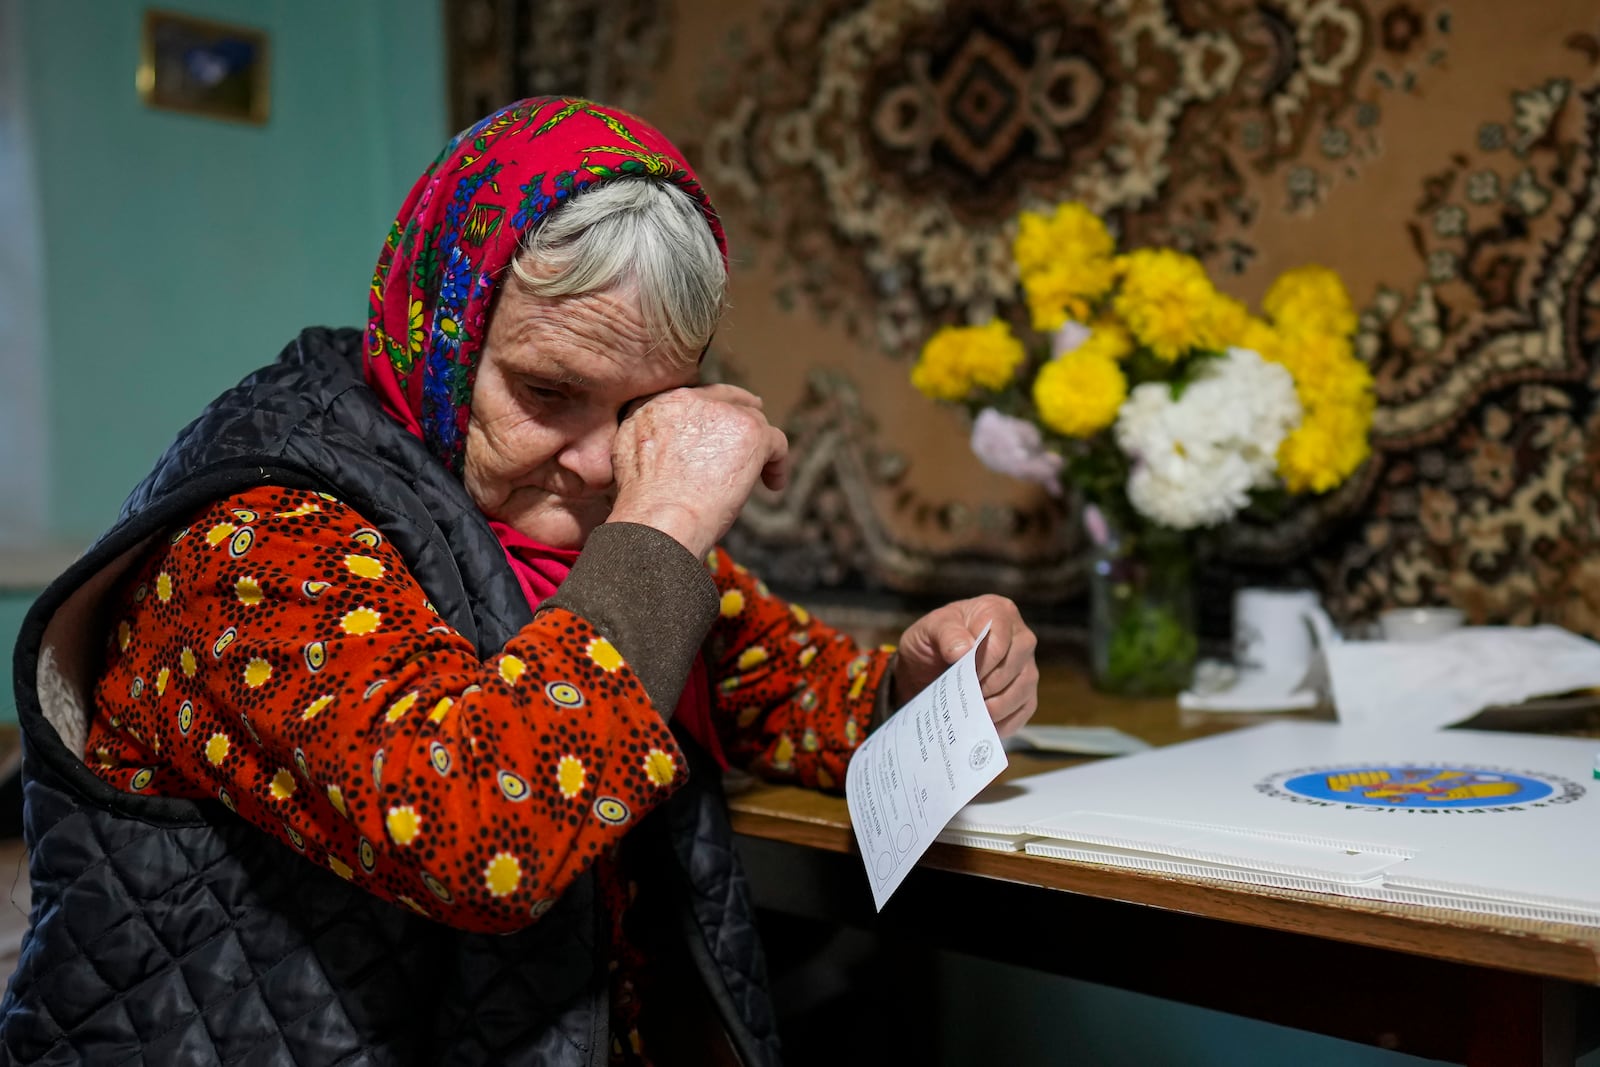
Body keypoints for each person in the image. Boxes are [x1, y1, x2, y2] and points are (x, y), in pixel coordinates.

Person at [3, 98, 1038, 1065]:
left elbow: (779, 687)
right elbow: (471, 832)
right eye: (548, 392)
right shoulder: (259, 537)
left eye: (646, 409)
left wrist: (922, 685)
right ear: (439, 334)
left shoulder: (564, 531)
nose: (597, 465)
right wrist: (668, 514)